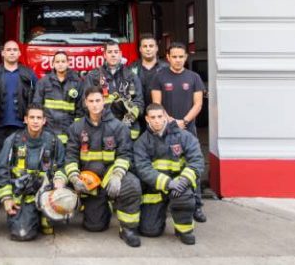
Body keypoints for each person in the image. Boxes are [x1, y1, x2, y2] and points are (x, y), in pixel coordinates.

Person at [64, 86, 142, 247]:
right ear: (85, 103)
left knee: (132, 185)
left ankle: (128, 229)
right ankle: (104, 205)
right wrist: (73, 177)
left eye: (98, 100)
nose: (94, 105)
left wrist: (118, 176)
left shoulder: (118, 127)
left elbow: (125, 154)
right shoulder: (76, 128)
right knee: (94, 226)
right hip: (90, 180)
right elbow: (70, 156)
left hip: (111, 175)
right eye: (91, 101)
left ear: (104, 101)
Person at [150, 42, 207, 223]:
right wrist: (171, 121)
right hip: (166, 128)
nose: (177, 60)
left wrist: (185, 121)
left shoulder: (194, 77)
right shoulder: (159, 77)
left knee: (192, 165)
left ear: (186, 57)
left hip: (188, 130)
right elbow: (157, 105)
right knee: (166, 165)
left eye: (181, 56)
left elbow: (198, 103)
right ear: (168, 57)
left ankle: (196, 205)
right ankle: (167, 202)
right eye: (174, 56)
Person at [133, 103, 204, 245]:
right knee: (149, 231)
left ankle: (184, 230)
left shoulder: (184, 137)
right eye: (153, 117)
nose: (157, 120)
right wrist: (168, 183)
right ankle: (159, 216)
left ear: (166, 117)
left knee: (183, 195)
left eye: (160, 116)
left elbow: (197, 161)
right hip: (156, 189)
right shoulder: (142, 142)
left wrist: (183, 181)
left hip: (179, 185)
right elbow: (142, 169)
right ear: (147, 119)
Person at [0, 105, 66, 241]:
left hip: (46, 193)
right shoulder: (13, 140)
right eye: (32, 117)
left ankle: (44, 217)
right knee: (22, 234)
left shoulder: (53, 141)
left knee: (48, 225)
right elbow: (1, 170)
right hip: (22, 194)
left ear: (44, 120)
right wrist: (7, 198)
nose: (35, 121)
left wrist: (59, 179)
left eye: (39, 118)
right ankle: (31, 215)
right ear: (25, 120)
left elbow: (63, 165)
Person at [0, 40, 38, 212]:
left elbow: (37, 98)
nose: (12, 52)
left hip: (21, 128)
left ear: (20, 54)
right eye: (9, 50)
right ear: (3, 53)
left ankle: (17, 193)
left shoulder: (29, 74)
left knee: (19, 161)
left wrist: (30, 120)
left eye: (15, 50)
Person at [83, 41, 144, 141]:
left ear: (120, 54)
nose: (113, 55)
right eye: (110, 52)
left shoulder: (131, 76)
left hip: (127, 130)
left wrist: (128, 120)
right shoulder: (93, 76)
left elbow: (139, 103)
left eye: (116, 52)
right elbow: (85, 103)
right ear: (104, 55)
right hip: (101, 128)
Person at [32, 50, 83, 145]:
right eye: (57, 62)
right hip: (48, 131)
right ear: (53, 64)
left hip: (69, 132)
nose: (60, 64)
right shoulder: (43, 82)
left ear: (68, 63)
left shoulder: (77, 83)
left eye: (63, 61)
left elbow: (80, 109)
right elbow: (37, 106)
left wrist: (76, 129)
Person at [128, 34, 168, 133]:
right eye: (145, 46)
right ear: (140, 49)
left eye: (151, 46)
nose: (148, 49)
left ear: (156, 48)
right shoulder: (131, 69)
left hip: (160, 117)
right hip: (138, 118)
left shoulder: (166, 68)